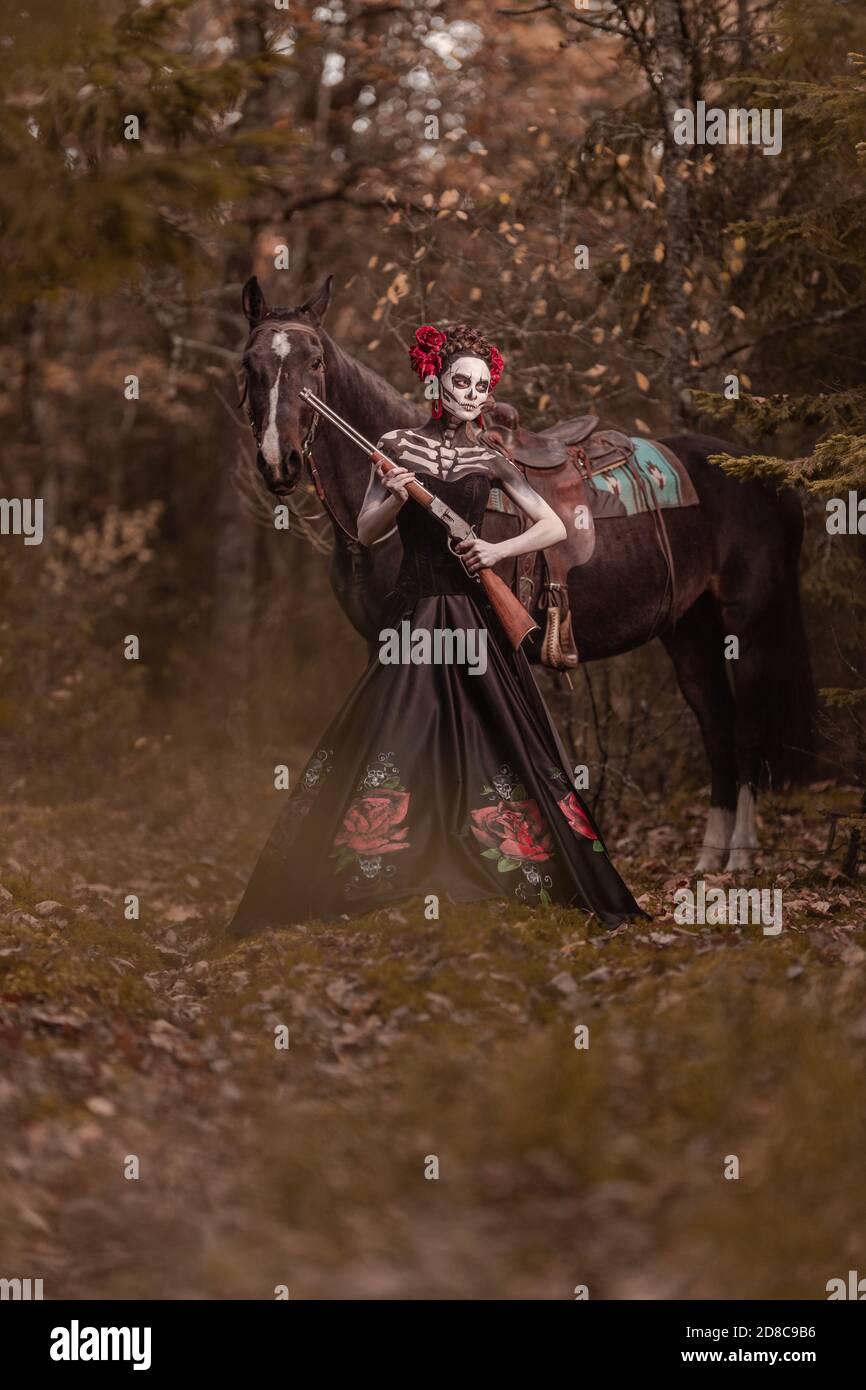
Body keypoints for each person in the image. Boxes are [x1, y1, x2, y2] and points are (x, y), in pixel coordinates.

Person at [229, 322, 644, 934]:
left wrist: (495, 554)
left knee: (502, 737)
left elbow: (552, 528)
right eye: (461, 381)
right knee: (391, 735)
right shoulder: (397, 444)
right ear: (437, 381)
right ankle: (384, 866)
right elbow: (367, 531)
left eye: (482, 385)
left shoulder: (490, 457)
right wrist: (396, 498)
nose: (473, 394)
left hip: (474, 614)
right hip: (413, 614)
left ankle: (503, 865)